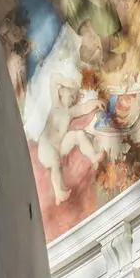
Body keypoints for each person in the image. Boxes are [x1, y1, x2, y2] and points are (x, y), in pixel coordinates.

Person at [37, 75, 103, 205]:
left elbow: (84, 108)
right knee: (55, 163)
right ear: (61, 92)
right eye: (70, 94)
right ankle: (58, 192)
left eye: (74, 97)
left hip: (59, 146)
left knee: (78, 134)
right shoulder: (56, 104)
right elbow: (53, 79)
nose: (73, 98)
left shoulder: (70, 112)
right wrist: (68, 82)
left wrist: (96, 102)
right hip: (46, 147)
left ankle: (93, 156)